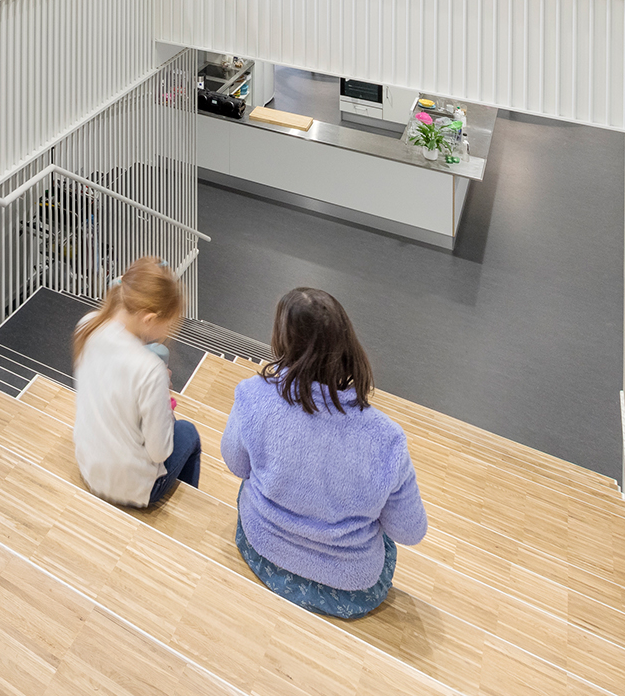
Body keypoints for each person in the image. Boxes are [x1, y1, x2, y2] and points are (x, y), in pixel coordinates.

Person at [220, 286, 427, 619]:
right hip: (350, 589)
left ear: (281, 340)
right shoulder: (387, 440)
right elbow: (409, 531)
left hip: (261, 550)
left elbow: (236, 464)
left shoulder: (251, 395)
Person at [71, 258, 201, 509]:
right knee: (188, 432)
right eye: (169, 323)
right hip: (130, 486)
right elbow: (160, 451)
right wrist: (163, 401)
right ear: (149, 319)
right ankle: (183, 514)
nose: (169, 330)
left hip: (89, 465)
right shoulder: (150, 370)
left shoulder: (87, 325)